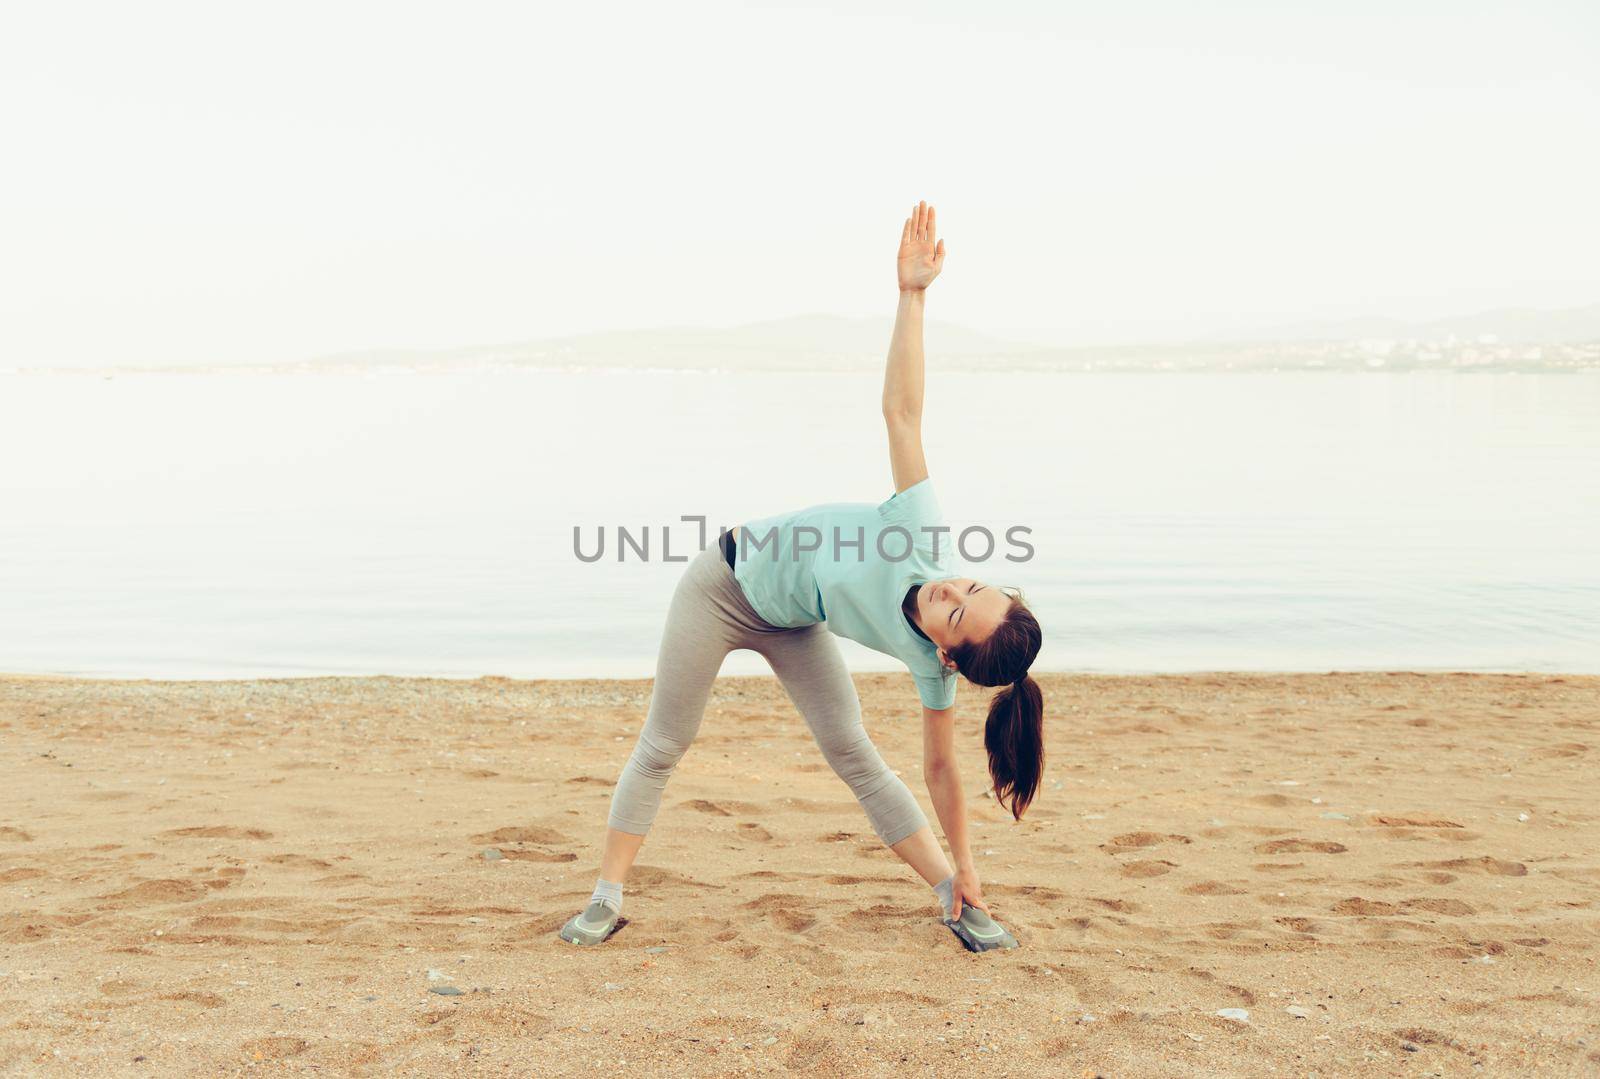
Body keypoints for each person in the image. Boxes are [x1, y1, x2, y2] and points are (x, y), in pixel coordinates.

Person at [560, 201, 1044, 952]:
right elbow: (903, 414)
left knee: (853, 751)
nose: (950, 590)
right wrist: (912, 296)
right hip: (721, 588)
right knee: (666, 740)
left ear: (947, 654)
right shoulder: (920, 530)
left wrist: (966, 863)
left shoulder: (931, 669)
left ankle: (953, 896)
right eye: (970, 587)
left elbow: (941, 768)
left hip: (795, 621)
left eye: (955, 614)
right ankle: (606, 893)